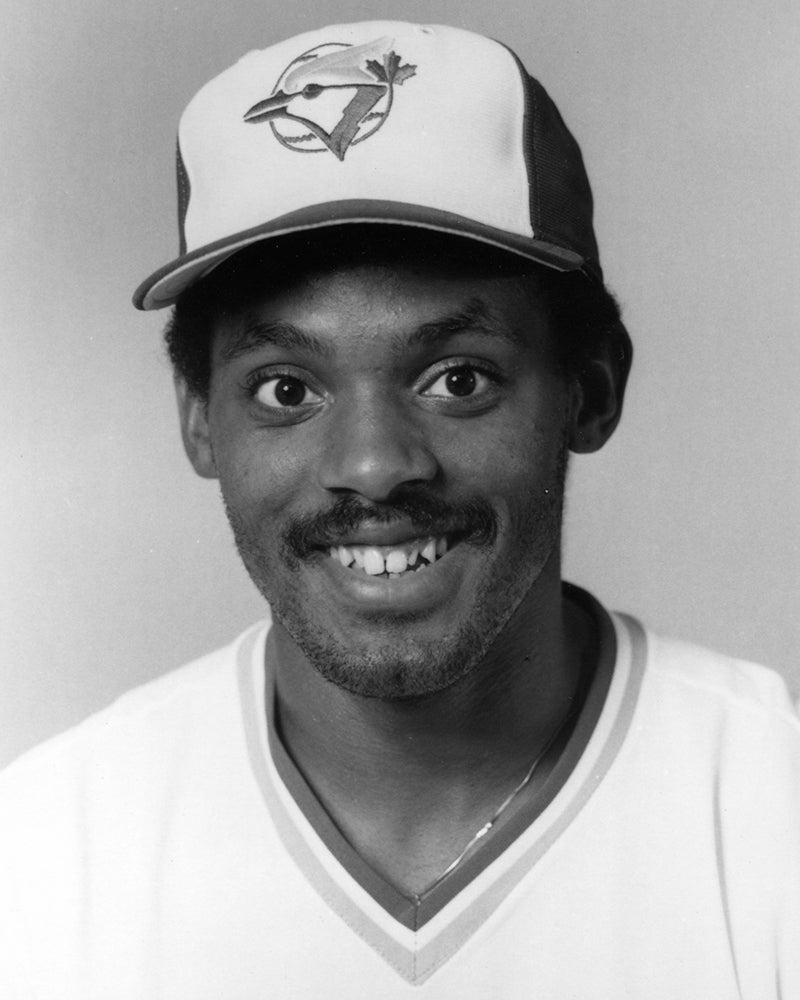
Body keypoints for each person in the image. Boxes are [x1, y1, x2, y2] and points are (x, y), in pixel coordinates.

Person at [1, 20, 798, 999]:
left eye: (455, 378)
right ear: (200, 421)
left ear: (588, 392)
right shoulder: (42, 856)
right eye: (287, 389)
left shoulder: (771, 808)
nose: (374, 467)